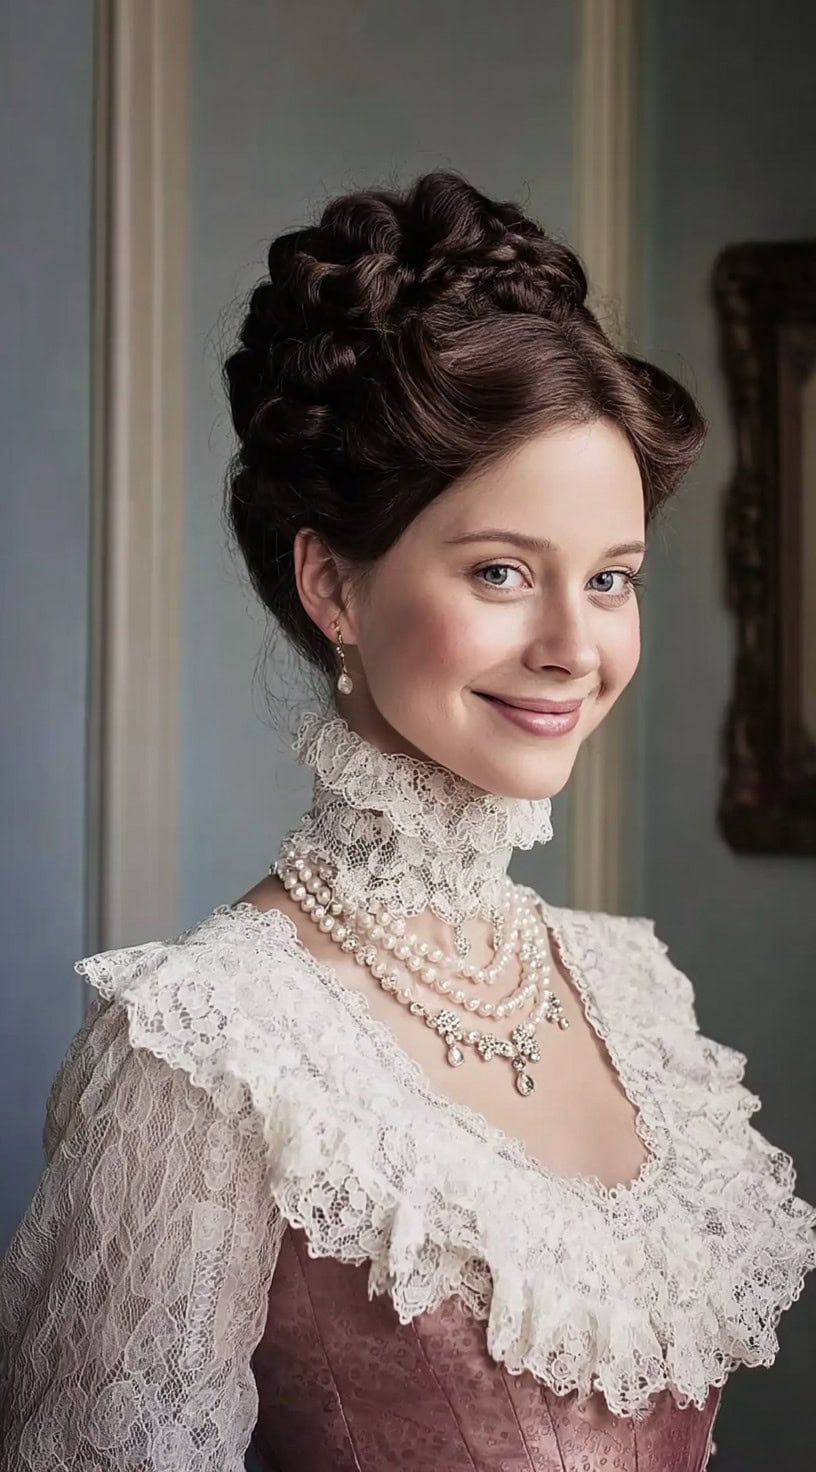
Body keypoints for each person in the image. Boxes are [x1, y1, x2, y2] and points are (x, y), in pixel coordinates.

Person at [1, 170, 813, 1472]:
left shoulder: (633, 992)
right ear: (332, 582)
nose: (572, 645)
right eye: (502, 571)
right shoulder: (208, 1052)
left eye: (611, 580)